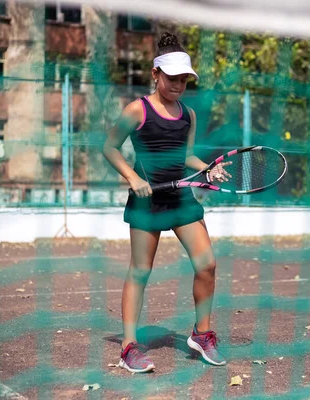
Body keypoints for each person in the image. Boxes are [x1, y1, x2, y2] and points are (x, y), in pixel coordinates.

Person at [103, 32, 230, 372]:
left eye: (184, 79)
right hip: (147, 202)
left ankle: (201, 334)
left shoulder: (188, 114)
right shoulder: (137, 110)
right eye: (172, 78)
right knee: (141, 272)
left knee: (207, 265)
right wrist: (133, 178)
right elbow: (110, 148)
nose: (178, 85)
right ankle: (129, 347)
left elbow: (185, 156)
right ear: (156, 74)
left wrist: (208, 169)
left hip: (181, 198)